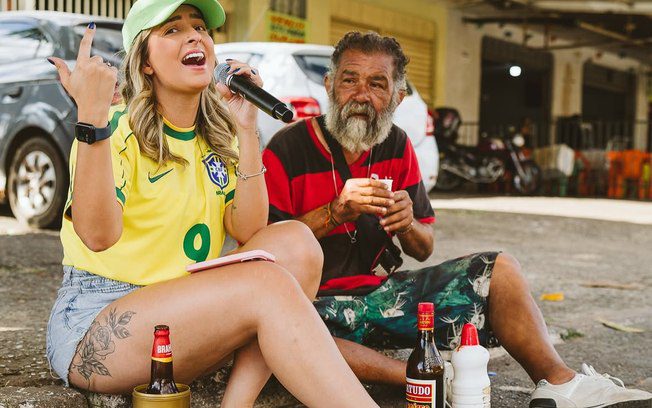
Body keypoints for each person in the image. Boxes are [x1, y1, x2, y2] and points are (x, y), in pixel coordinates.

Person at [262, 31, 652, 408]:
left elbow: (423, 247)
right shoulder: (288, 146)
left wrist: (406, 223)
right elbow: (264, 251)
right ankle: (424, 376)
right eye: (350, 80)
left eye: (377, 84)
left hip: (383, 298)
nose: (361, 95)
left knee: (500, 271)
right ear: (329, 85)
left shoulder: (396, 144)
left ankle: (559, 383)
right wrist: (335, 212)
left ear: (397, 97)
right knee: (277, 329)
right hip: (314, 303)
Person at [44, 2, 380, 407]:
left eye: (200, 27)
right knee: (266, 283)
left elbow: (250, 231)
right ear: (145, 62)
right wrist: (92, 118)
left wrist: (247, 128)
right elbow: (97, 236)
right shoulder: (114, 128)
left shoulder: (216, 138)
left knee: (298, 243)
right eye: (172, 30)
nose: (194, 36)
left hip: (187, 312)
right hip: (99, 324)